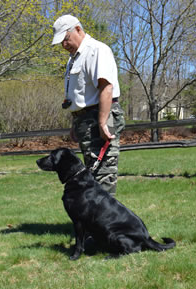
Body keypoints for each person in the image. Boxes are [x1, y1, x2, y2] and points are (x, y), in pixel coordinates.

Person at [52, 15, 125, 196]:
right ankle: (94, 223)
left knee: (103, 176)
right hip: (85, 121)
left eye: (66, 39)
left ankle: (107, 224)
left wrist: (102, 123)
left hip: (98, 116)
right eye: (61, 42)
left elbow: (106, 87)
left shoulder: (97, 50)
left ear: (77, 29)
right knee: (92, 175)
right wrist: (75, 122)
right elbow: (78, 95)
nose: (64, 45)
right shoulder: (74, 58)